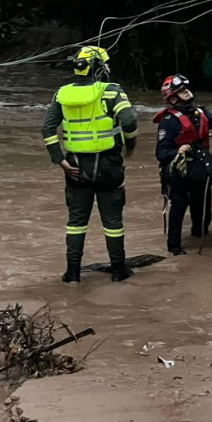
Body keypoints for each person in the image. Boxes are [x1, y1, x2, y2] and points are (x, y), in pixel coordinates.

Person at [41, 46, 140, 284]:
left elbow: (47, 129)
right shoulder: (111, 91)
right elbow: (129, 119)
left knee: (76, 222)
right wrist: (131, 146)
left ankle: (72, 273)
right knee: (113, 222)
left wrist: (60, 160)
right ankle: (119, 271)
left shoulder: (61, 94)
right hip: (108, 166)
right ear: (100, 68)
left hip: (75, 167)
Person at [152, 74, 212, 255]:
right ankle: (174, 246)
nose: (187, 92)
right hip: (179, 172)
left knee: (203, 211)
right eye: (182, 91)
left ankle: (199, 233)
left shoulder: (200, 113)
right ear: (174, 98)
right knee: (179, 203)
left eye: (186, 89)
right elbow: (161, 153)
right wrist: (178, 151)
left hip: (200, 169)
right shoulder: (168, 122)